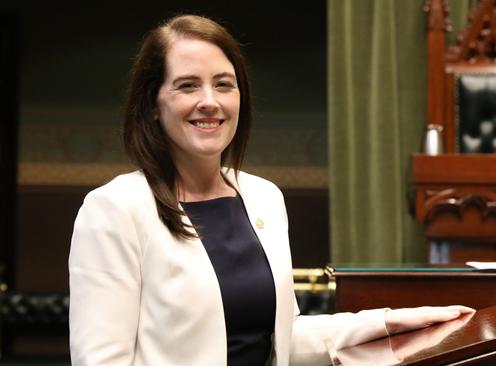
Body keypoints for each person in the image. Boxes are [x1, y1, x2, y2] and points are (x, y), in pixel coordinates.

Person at [68, 14, 474, 366]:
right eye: (188, 85)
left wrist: (387, 321)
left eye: (223, 84)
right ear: (154, 104)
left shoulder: (264, 197)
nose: (209, 101)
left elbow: (281, 340)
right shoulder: (114, 209)